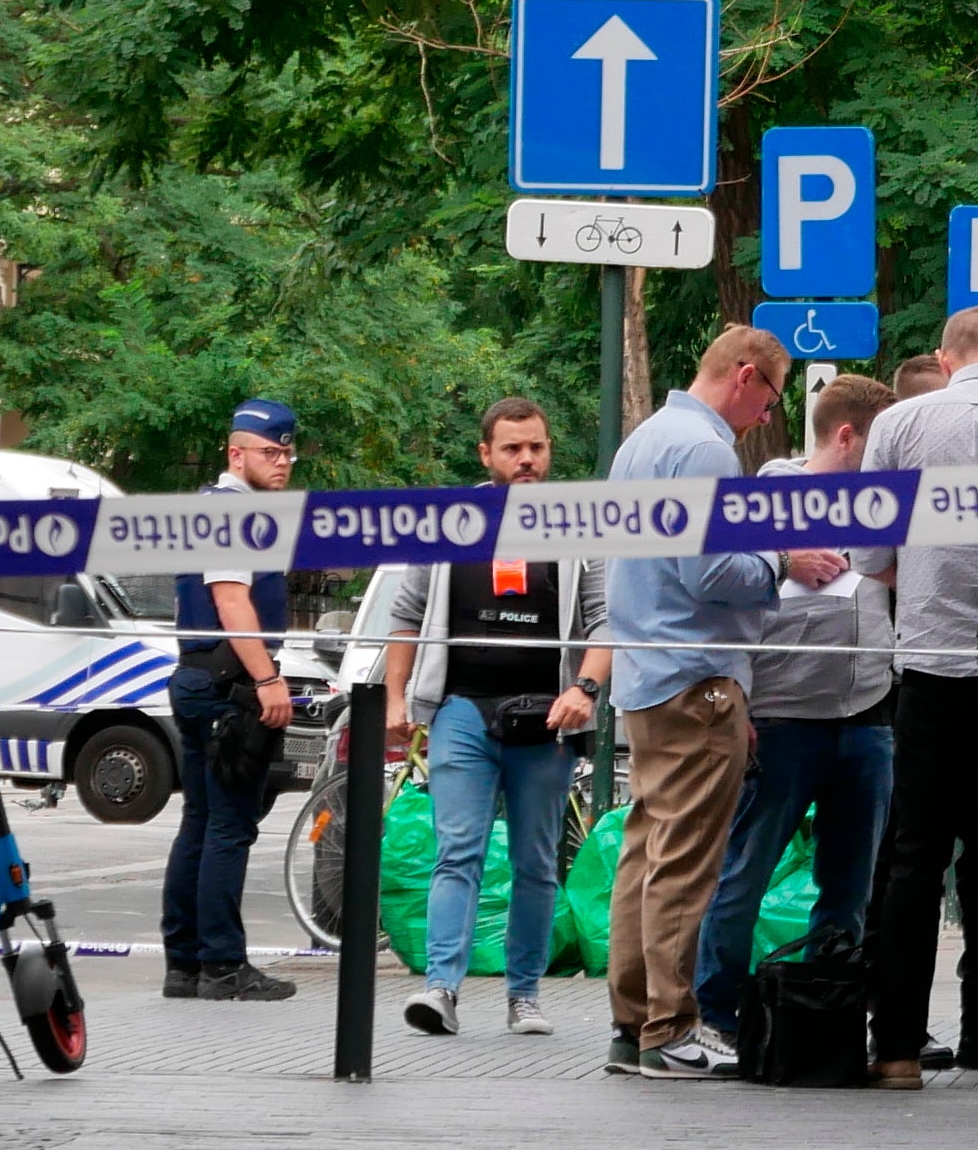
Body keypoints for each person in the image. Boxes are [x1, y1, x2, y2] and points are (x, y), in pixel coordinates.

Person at [601, 325, 840, 1079]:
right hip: (696, 677)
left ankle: (631, 1022)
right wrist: (783, 558)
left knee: (645, 854)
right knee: (684, 863)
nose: (767, 417)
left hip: (645, 672)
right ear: (745, 376)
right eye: (769, 397)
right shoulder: (705, 450)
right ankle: (669, 1030)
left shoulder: (644, 441)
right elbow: (708, 572)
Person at [855, 303, 978, 1089]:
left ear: (944, 360)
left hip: (931, 673)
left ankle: (898, 1048)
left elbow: (871, 552)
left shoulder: (900, 425)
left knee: (915, 860)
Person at [377, 397, 615, 1039]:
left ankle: (525, 995)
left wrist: (585, 690)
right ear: (486, 454)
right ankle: (440, 990)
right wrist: (398, 701)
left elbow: (605, 622)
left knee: (538, 862)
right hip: (461, 712)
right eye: (512, 449)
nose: (527, 459)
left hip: (545, 721)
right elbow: (404, 615)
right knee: (459, 852)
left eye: (536, 447)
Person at [698, 373, 898, 1066]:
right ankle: (715, 1013)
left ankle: (825, 1007)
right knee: (745, 870)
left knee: (850, 884)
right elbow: (721, 591)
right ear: (845, 438)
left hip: (868, 715)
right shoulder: (766, 498)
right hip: (783, 718)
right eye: (880, 445)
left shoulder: (882, 507)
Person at [160, 399, 304, 1003]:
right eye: (271, 452)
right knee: (229, 826)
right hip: (227, 687)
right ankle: (222, 964)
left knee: (199, 821)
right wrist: (268, 679)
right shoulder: (232, 513)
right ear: (235, 453)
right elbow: (231, 602)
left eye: (288, 452)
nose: (283, 462)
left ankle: (185, 964)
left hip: (198, 678)